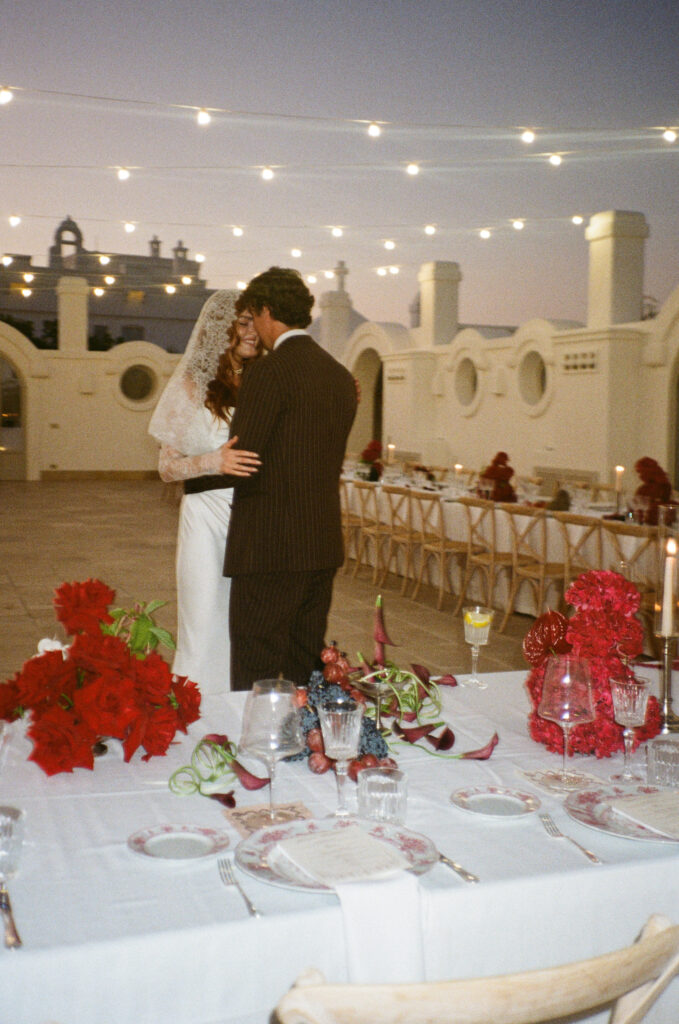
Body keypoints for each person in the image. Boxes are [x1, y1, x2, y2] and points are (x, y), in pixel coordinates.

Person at [202, 267, 357, 689]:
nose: (254, 326)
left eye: (254, 315)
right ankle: (310, 743)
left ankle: (258, 751)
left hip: (269, 547)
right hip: (320, 542)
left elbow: (244, 455)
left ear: (267, 310)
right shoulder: (341, 377)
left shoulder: (269, 372)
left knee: (257, 663)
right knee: (307, 661)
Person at [148, 290, 262, 693]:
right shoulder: (193, 386)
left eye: (256, 322)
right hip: (205, 515)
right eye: (244, 323)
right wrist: (213, 461)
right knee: (203, 619)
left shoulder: (261, 381)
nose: (253, 332)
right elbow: (166, 467)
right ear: (222, 329)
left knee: (245, 629)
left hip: (253, 518)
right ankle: (193, 713)